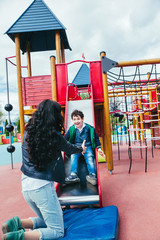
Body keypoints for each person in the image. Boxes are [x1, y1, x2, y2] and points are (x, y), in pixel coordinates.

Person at [1, 100, 86, 240]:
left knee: (48, 220)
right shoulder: (54, 136)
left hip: (26, 186)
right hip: (42, 188)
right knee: (57, 230)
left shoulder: (28, 130)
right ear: (54, 116)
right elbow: (70, 148)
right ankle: (18, 237)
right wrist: (81, 149)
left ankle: (15, 223)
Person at [65, 109, 105, 186]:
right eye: (74, 119)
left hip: (87, 146)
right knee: (73, 156)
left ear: (82, 119)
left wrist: (99, 148)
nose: (76, 121)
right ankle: (74, 175)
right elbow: (65, 139)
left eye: (78, 119)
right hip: (76, 147)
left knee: (89, 156)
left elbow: (96, 139)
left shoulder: (89, 128)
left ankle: (92, 175)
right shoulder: (72, 129)